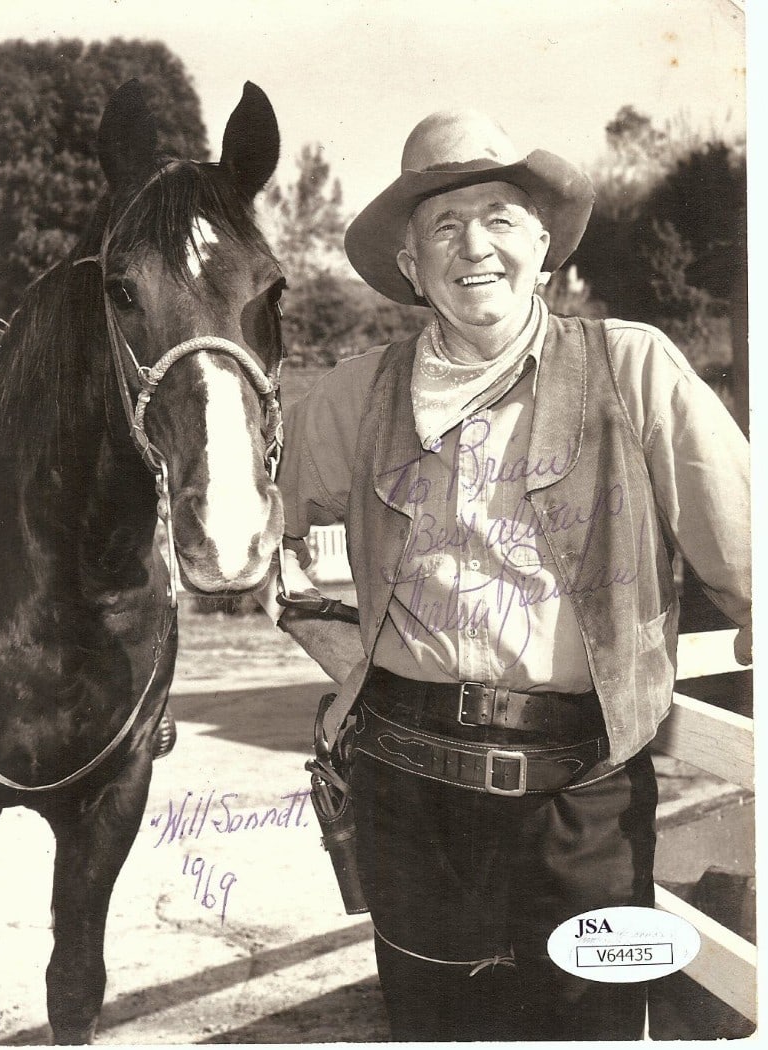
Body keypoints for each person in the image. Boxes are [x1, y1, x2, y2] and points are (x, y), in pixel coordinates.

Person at [256, 109, 752, 1041]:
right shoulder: (348, 396)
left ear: (544, 247)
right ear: (409, 265)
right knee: (434, 1028)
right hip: (406, 795)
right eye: (442, 226)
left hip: (584, 798)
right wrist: (352, 663)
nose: (472, 246)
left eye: (499, 218)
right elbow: (274, 560)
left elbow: (751, 557)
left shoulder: (633, 367)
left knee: (591, 1026)